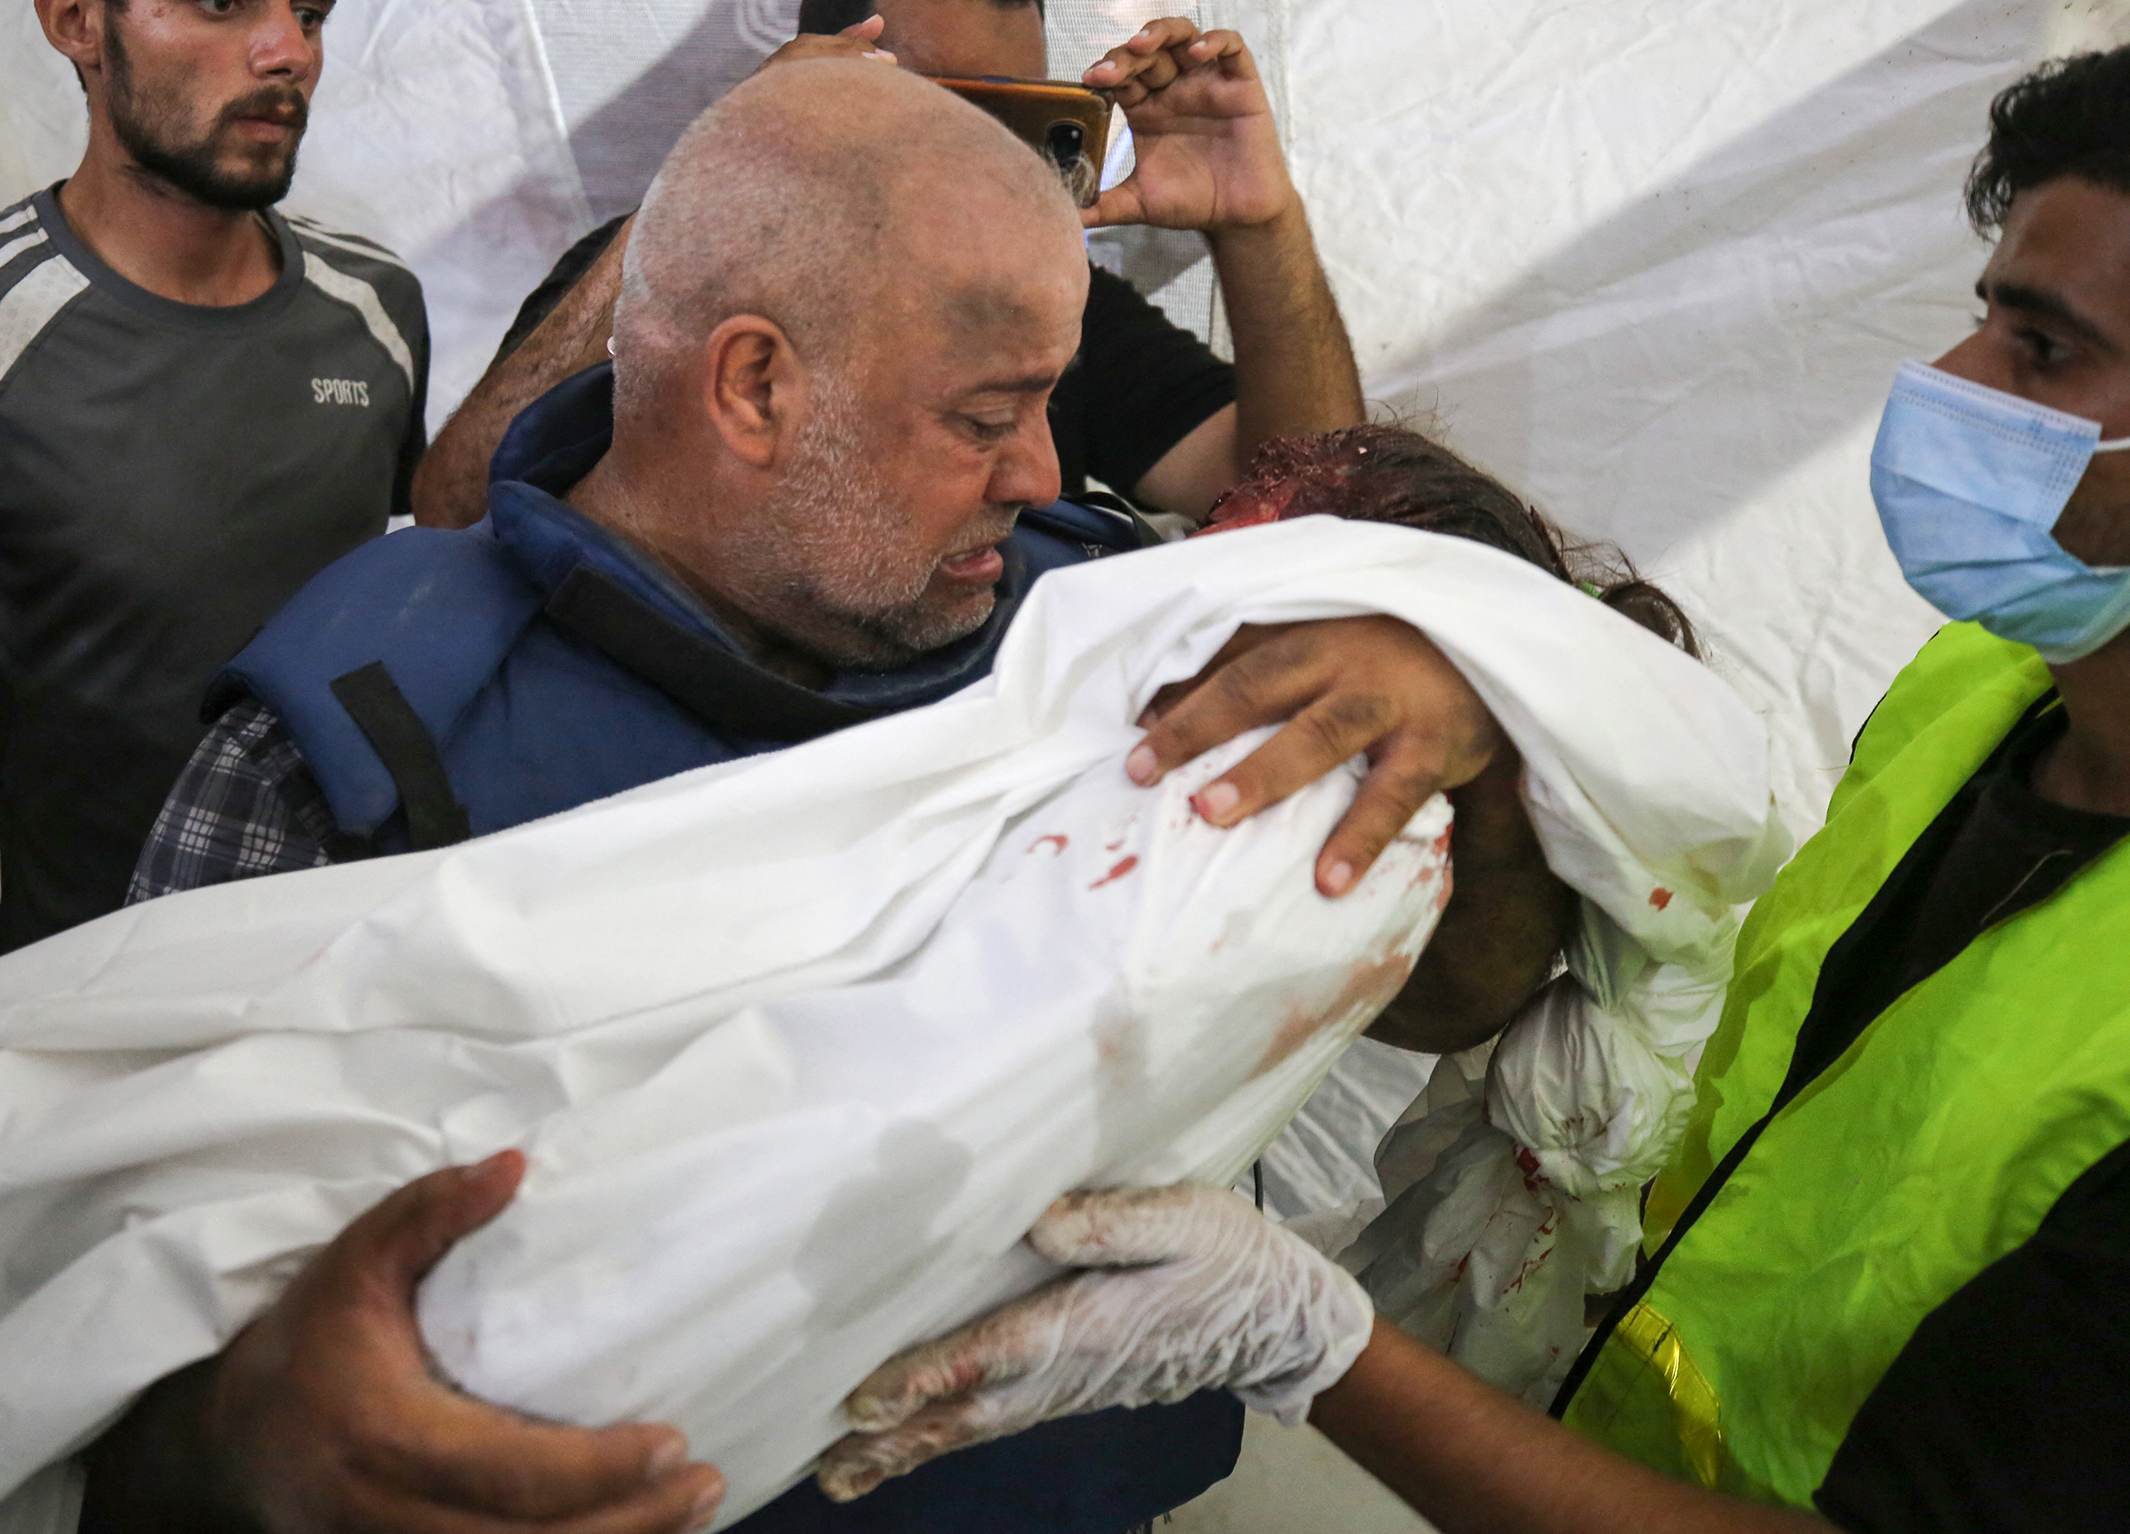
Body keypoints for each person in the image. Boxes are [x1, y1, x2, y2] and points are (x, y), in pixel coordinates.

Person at [102, 58, 1571, 1534]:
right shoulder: (356, 728)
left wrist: (1462, 733)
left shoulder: (1120, 639)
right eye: (988, 414)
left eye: (1056, 400)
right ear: (753, 385)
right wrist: (247, 1437)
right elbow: (95, 1336)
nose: (1046, 469)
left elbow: (1453, 995)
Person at [803, 46, 2130, 1534]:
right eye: (1984, 321)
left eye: (2043, 350)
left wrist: (1316, 1345)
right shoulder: (1984, 689)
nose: (1948, 387)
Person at [0, 0, 429, 981]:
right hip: (89, 972)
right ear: (76, 25)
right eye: (222, 6)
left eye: (311, 15)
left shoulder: (376, 307)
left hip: (352, 947)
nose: (288, 52)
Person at [407, 1, 1362, 531]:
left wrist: (1257, 223)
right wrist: (713, 180)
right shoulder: (675, 272)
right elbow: (457, 511)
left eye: (1015, 125)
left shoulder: (1050, 308)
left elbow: (1309, 500)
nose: (975, 169)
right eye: (930, 114)